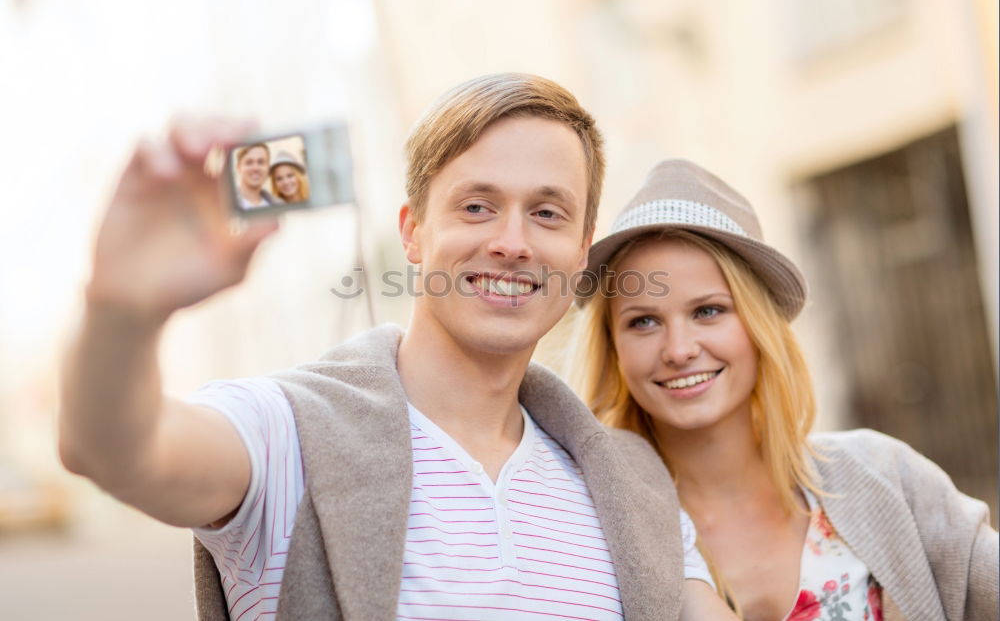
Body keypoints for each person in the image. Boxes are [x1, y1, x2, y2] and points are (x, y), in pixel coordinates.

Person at [59, 76, 735, 620]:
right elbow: (118, 448)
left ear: (581, 253)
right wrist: (122, 312)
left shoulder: (629, 485)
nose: (513, 241)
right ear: (412, 234)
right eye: (476, 206)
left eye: (548, 212)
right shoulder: (287, 433)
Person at [570, 159, 1000, 621]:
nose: (678, 350)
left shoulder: (887, 477)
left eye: (708, 311)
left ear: (759, 326)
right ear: (613, 348)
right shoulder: (595, 531)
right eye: (644, 321)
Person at [234, 142, 276, 208]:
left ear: (268, 168)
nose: (255, 168)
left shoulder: (278, 204)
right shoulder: (224, 205)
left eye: (261, 162)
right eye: (249, 162)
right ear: (238, 168)